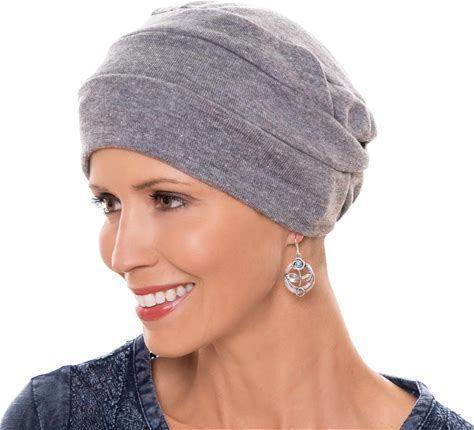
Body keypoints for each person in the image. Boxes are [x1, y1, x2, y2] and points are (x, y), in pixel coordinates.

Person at [2, 1, 472, 429]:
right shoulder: (59, 416)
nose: (122, 256)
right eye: (109, 202)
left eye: (167, 199)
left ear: (294, 210)